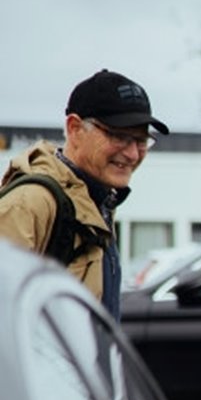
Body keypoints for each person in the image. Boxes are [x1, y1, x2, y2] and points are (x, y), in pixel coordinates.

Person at [0, 69, 169, 321]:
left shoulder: (97, 201)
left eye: (142, 140)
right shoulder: (30, 203)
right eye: (120, 136)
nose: (133, 154)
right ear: (75, 128)